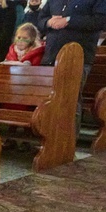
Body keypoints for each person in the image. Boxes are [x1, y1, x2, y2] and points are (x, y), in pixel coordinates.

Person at [38, 0, 106, 135]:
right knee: (48, 99)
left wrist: (69, 20)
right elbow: (40, 19)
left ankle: (68, 141)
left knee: (71, 99)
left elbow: (100, 21)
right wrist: (48, 22)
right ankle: (49, 139)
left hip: (78, 56)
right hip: (51, 56)